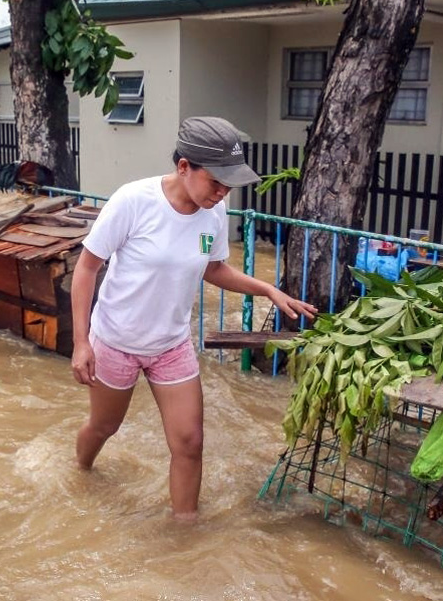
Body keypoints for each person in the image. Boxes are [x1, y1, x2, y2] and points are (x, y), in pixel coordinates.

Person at [70, 116, 317, 522]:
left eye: (228, 185)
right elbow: (87, 267)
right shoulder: (133, 201)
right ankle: (80, 471)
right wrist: (82, 342)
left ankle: (185, 530)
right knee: (103, 427)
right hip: (116, 340)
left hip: (171, 344)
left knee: (189, 443)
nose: (222, 193)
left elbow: (214, 269)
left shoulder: (212, 212)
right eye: (215, 182)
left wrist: (268, 289)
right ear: (184, 166)